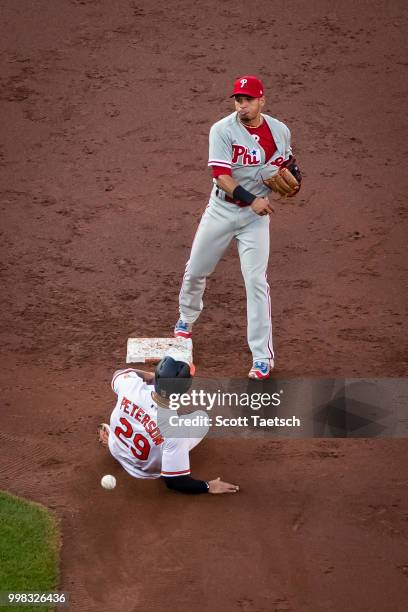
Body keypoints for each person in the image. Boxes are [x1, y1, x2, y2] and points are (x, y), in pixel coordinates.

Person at [174, 75, 301, 379]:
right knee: (196, 270)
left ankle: (262, 357)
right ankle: (185, 321)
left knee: (256, 282)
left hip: (254, 221)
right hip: (221, 210)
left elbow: (287, 164)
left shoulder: (280, 130)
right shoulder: (222, 130)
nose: (242, 105)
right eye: (238, 100)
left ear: (261, 101)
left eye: (248, 100)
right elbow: (221, 177)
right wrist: (252, 199)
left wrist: (294, 178)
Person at [98, 356, 239, 495]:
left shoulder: (131, 387)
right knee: (202, 419)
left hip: (117, 448)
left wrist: (152, 377)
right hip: (147, 471)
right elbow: (175, 482)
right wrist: (209, 486)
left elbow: (119, 373)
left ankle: (115, 440)